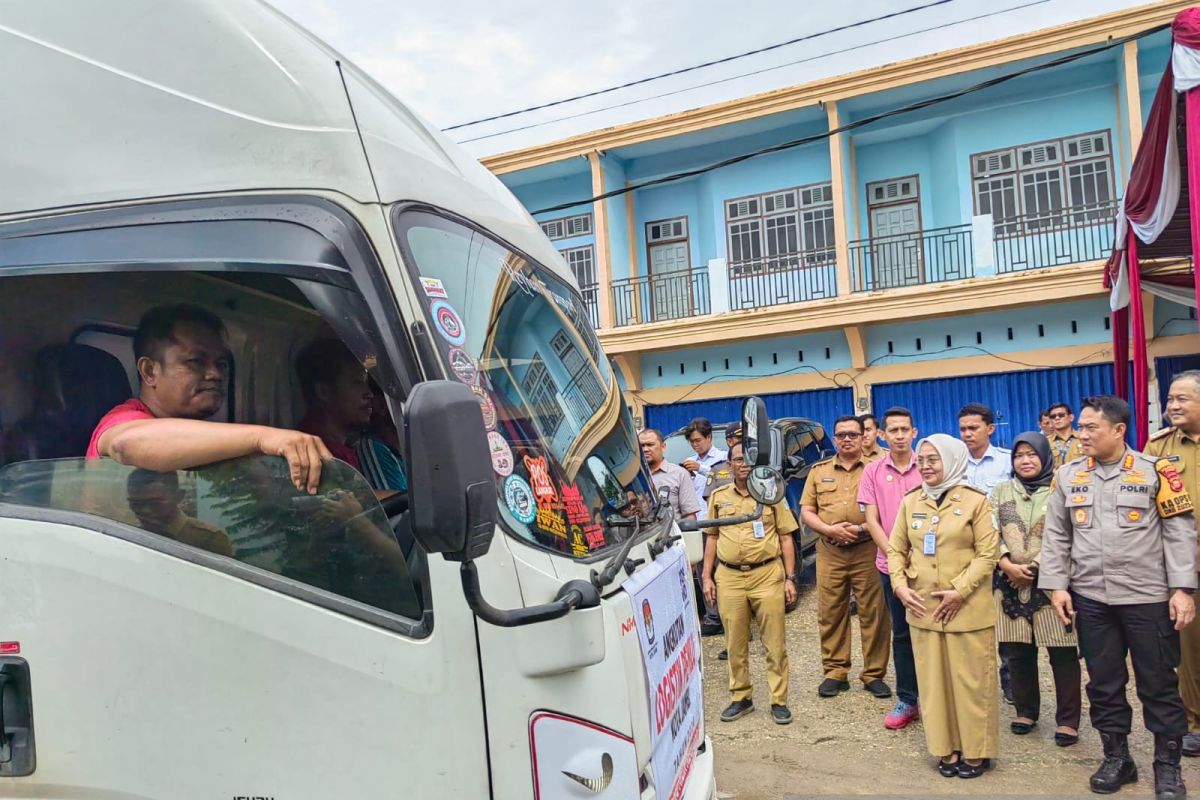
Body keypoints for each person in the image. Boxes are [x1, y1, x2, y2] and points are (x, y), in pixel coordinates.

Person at [1040, 395, 1196, 799]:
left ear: (1119, 430)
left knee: (1158, 683)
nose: (1082, 434)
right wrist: (1057, 585)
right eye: (1082, 427)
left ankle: (1167, 766)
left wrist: (1182, 588)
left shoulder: (1155, 472)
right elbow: (1056, 534)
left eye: (1092, 427)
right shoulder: (1069, 475)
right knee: (1105, 683)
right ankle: (1117, 758)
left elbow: (1179, 532)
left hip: (1147, 598)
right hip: (1092, 599)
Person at [87, 304, 332, 494]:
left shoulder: (203, 441)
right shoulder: (124, 419)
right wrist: (263, 437)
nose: (215, 374)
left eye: (222, 364)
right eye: (195, 362)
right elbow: (125, 444)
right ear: (150, 371)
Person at [888, 434, 1000, 779]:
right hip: (923, 609)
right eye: (922, 460)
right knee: (934, 687)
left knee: (970, 684)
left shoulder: (976, 502)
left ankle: (977, 752)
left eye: (933, 459)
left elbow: (988, 553)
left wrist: (960, 590)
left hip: (966, 609)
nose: (926, 466)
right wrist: (899, 586)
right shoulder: (911, 502)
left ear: (952, 460)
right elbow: (895, 549)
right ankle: (945, 748)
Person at [990, 432, 1081, 746]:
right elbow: (989, 531)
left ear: (1045, 456)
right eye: (1019, 455)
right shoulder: (1001, 490)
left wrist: (1036, 566)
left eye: (1031, 454)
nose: (1025, 461)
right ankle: (1026, 711)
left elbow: (1069, 532)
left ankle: (1068, 721)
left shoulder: (1061, 488)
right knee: (1017, 653)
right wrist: (1005, 563)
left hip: (1053, 583)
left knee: (1063, 653)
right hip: (1009, 583)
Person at [702, 441, 799, 725]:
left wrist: (790, 578)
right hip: (729, 577)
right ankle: (741, 697)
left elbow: (785, 537)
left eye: (747, 460)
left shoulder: (771, 495)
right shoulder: (719, 496)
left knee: (774, 642)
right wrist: (707, 576)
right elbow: (712, 537)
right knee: (734, 641)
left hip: (767, 575)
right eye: (737, 459)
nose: (742, 464)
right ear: (729, 464)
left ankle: (779, 700)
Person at [800, 415, 892, 699]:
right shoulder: (819, 470)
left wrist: (863, 528)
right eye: (841, 435)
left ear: (864, 436)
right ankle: (835, 672)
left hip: (868, 549)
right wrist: (829, 530)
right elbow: (807, 510)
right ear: (835, 438)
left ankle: (874, 674)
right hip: (830, 551)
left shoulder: (877, 468)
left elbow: (889, 508)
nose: (847, 439)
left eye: (853, 434)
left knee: (874, 612)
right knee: (831, 612)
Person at [859, 407, 923, 730]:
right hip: (890, 567)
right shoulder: (872, 471)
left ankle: (937, 696)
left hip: (928, 567)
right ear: (883, 435)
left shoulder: (926, 465)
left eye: (904, 429)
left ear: (914, 432)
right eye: (893, 430)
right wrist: (896, 557)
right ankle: (908, 699)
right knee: (901, 633)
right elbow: (871, 520)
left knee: (935, 632)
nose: (899, 435)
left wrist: (918, 559)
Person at [1147, 370, 1200, 758]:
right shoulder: (1159, 447)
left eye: (1182, 399)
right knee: (1190, 647)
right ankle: (1194, 721)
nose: (1173, 406)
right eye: (1169, 400)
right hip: (1184, 567)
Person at [296, 338, 407, 493]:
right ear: (324, 392)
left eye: (366, 382)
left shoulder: (343, 448)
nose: (369, 394)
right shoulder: (313, 454)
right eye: (356, 383)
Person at [126, 468, 234, 557]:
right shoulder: (129, 538)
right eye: (136, 504)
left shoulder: (209, 539)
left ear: (178, 497)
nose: (145, 511)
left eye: (155, 503)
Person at [639, 428, 701, 521]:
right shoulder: (632, 477)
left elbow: (690, 516)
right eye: (642, 446)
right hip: (640, 534)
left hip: (672, 534)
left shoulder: (679, 474)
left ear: (663, 447)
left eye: (650, 445)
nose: (645, 449)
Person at [959, 403, 1012, 497]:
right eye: (963, 429)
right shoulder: (956, 463)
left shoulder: (1008, 461)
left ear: (990, 429)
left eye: (973, 428)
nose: (967, 434)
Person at [682, 418, 727, 504]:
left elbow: (725, 481)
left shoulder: (724, 457)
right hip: (697, 515)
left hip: (718, 512)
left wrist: (700, 469)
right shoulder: (688, 462)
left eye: (698, 440)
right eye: (691, 441)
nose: (695, 445)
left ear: (709, 437)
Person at [1046, 402, 1085, 469]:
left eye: (1061, 415)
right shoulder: (1045, 442)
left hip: (1081, 478)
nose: (1057, 418)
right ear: (1050, 421)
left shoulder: (1083, 438)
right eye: (1053, 416)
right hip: (1055, 479)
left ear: (1071, 417)